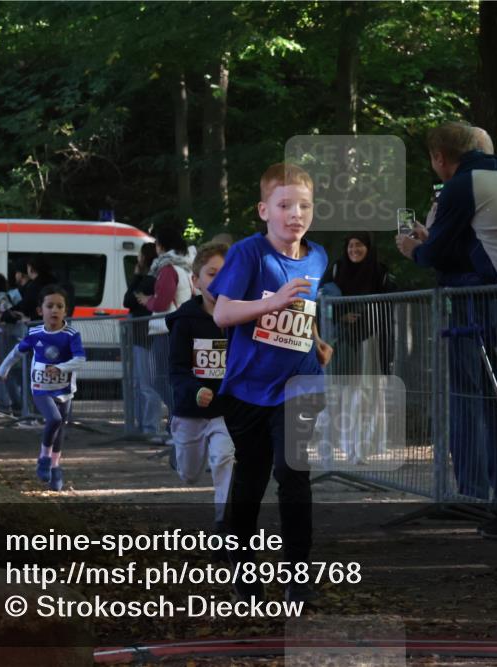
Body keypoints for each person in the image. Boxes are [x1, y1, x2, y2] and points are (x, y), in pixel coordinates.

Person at [397, 121, 497, 505]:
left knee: (470, 395)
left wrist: (415, 250)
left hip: (479, 299)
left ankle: (474, 494)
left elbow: (438, 254)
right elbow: (470, 246)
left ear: (439, 157)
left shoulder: (462, 184)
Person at [209, 162, 333, 604]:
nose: (295, 214)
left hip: (299, 383)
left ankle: (298, 576)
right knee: (252, 476)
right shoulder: (249, 254)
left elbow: (303, 306)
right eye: (284, 205)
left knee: (292, 472)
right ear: (264, 210)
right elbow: (222, 314)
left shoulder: (318, 256)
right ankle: (243, 568)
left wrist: (315, 339)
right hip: (248, 386)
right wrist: (273, 302)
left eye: (304, 206)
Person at [165, 242, 234, 542]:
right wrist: (195, 390)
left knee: (224, 459)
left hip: (226, 409)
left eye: (226, 274)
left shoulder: (242, 318)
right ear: (196, 281)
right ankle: (177, 450)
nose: (220, 281)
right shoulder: (185, 322)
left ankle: (224, 526)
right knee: (190, 474)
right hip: (191, 410)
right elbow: (177, 370)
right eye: (212, 274)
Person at [0, 285, 86, 491]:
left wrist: (61, 368)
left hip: (64, 389)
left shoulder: (71, 335)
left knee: (60, 428)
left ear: (65, 311)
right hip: (41, 388)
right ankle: (44, 458)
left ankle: (55, 467)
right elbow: (17, 352)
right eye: (50, 306)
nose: (55, 310)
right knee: (54, 419)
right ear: (40, 311)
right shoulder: (35, 333)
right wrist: (3, 369)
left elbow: (80, 360)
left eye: (59, 306)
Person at [321, 232, 397, 465]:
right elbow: (322, 301)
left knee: (370, 396)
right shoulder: (336, 269)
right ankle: (345, 448)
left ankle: (362, 448)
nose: (354, 249)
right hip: (344, 342)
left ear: (368, 247)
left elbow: (389, 304)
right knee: (346, 396)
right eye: (351, 245)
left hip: (371, 341)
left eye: (359, 245)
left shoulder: (380, 272)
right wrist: (341, 316)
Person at [144, 224, 194, 434]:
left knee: (159, 379)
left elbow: (161, 302)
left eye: (156, 243)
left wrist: (148, 301)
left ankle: (179, 414)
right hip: (179, 328)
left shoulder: (167, 269)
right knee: (172, 378)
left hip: (165, 330)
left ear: (161, 245)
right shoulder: (185, 268)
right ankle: (178, 419)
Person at [123, 242, 164, 437]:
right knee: (140, 384)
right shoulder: (150, 279)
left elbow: (128, 300)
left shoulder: (149, 280)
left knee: (147, 385)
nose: (137, 258)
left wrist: (137, 276)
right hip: (142, 336)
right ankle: (144, 426)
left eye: (140, 255)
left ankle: (150, 427)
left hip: (145, 337)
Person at [0, 272, 24, 415]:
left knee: (3, 369)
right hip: (8, 334)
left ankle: (8, 404)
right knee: (10, 370)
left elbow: (4, 313)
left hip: (2, 335)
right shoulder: (7, 295)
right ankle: (15, 403)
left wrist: (1, 317)